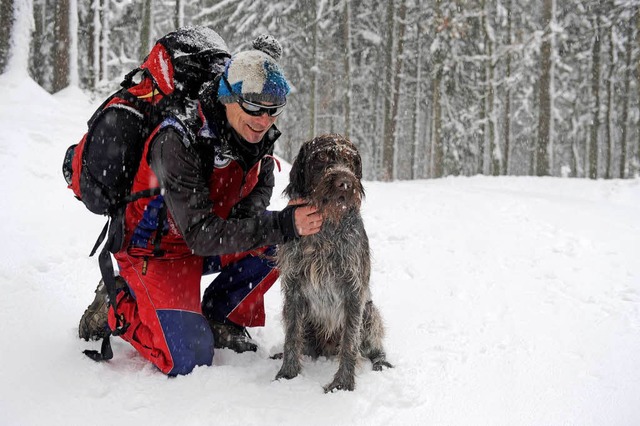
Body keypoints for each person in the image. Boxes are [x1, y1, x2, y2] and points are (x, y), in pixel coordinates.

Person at [78, 34, 322, 376]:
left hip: (204, 239)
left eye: (273, 110)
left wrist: (270, 223)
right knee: (188, 358)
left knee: (288, 241)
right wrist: (282, 223)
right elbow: (201, 234)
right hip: (155, 251)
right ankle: (117, 301)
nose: (264, 119)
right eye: (254, 108)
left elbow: (260, 189)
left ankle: (221, 315)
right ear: (228, 97)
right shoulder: (178, 139)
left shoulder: (255, 134)